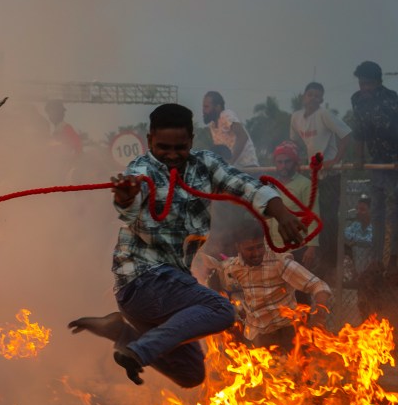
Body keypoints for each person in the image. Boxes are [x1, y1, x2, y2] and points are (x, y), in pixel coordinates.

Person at [68, 103, 307, 387]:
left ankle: (123, 333)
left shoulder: (205, 164)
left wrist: (280, 213)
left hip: (168, 288)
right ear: (149, 141)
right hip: (142, 280)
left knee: (190, 374)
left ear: (191, 141)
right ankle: (139, 349)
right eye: (162, 148)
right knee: (222, 310)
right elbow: (129, 211)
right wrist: (125, 199)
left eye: (179, 148)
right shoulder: (141, 169)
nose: (171, 156)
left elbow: (244, 184)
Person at [217, 214, 331, 350]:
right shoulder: (233, 267)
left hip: (287, 335)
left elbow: (319, 286)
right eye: (250, 249)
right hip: (256, 337)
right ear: (238, 247)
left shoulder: (279, 262)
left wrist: (319, 317)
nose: (257, 253)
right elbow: (223, 285)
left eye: (259, 246)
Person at [290, 81, 353, 274]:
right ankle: (314, 255)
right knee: (311, 214)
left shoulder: (323, 114)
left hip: (330, 175)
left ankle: (330, 259)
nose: (313, 98)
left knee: (328, 216)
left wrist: (336, 159)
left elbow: (346, 134)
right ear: (304, 97)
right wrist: (297, 161)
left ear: (321, 99)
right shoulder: (296, 117)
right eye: (310, 95)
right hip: (312, 174)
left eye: (317, 96)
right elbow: (294, 142)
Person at [349, 60, 398, 272]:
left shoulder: (391, 99)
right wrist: (359, 158)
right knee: (376, 209)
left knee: (395, 210)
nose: (365, 88)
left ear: (378, 82)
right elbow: (358, 131)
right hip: (376, 160)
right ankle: (377, 259)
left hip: (394, 159)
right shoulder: (357, 100)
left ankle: (394, 257)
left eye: (369, 84)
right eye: (362, 84)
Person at [266, 140, 317, 267]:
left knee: (298, 286)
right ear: (275, 164)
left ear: (295, 162)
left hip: (298, 248)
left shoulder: (305, 185)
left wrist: (312, 247)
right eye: (280, 162)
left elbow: (314, 215)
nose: (283, 165)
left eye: (287, 161)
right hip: (274, 248)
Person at [202, 90, 258, 167]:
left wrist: (230, 162)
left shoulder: (226, 115)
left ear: (218, 107)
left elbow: (243, 136)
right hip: (235, 169)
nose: (203, 110)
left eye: (206, 107)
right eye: (203, 107)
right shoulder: (212, 125)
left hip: (247, 166)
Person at [344, 193, 374, 286]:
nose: (358, 212)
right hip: (356, 260)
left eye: (363, 210)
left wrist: (355, 241)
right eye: (357, 209)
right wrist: (359, 241)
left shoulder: (375, 226)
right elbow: (345, 233)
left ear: (371, 211)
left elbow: (370, 241)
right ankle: (354, 276)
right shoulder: (356, 224)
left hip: (370, 265)